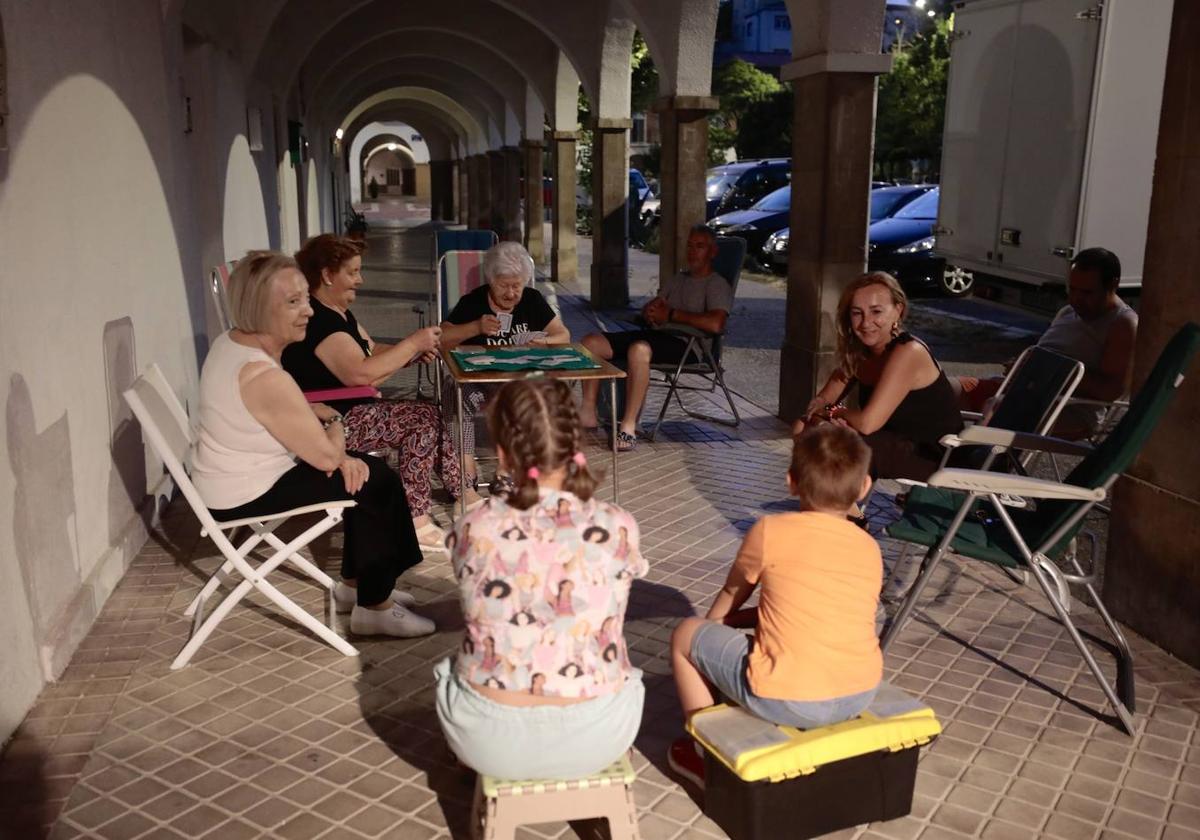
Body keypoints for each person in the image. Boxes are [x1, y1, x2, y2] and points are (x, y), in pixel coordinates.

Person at [191, 251, 434, 637]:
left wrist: (335, 448)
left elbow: (275, 414)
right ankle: (375, 606)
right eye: (292, 302)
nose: (307, 310)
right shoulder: (264, 375)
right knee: (377, 481)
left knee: (364, 472)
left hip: (226, 477)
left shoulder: (230, 343)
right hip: (247, 489)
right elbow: (325, 456)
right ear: (258, 307)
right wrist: (336, 425)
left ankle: (357, 588)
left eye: (305, 297)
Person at [434, 380, 647, 780]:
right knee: (626, 668)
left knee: (447, 670)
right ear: (575, 447)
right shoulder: (617, 524)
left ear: (501, 453)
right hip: (601, 734)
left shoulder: (473, 526)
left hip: (489, 740)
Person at [666, 424, 882, 789]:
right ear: (864, 487)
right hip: (859, 692)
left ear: (791, 482)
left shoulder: (770, 531)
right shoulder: (870, 549)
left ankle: (704, 754)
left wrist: (714, 624)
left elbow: (732, 593)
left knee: (685, 636)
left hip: (787, 696)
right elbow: (824, 609)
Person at [281, 234, 480, 552]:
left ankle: (465, 495)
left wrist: (411, 353)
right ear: (328, 275)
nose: (360, 280)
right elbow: (359, 372)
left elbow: (372, 352)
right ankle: (416, 520)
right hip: (328, 420)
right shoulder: (320, 322)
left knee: (428, 413)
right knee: (422, 419)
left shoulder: (339, 314)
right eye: (353, 272)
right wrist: (412, 344)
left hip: (349, 409)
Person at [791, 272, 963, 483]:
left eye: (876, 311)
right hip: (892, 441)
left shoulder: (909, 351)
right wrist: (825, 415)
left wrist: (835, 413)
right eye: (857, 313)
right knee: (804, 428)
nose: (866, 323)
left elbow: (866, 423)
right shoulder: (860, 354)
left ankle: (843, 511)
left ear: (898, 311)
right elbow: (819, 404)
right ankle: (838, 506)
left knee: (838, 443)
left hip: (933, 454)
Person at [955, 247, 1138, 438]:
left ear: (1113, 285)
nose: (1077, 299)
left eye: (1087, 293)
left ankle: (974, 458)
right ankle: (936, 456)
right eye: (1072, 290)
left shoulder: (1122, 324)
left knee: (997, 406)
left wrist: (1046, 369)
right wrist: (1022, 368)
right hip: (1025, 391)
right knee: (944, 390)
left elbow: (1110, 391)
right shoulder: (1069, 312)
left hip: (1068, 408)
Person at [579, 225, 732, 450]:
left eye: (700, 246)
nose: (692, 251)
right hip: (657, 335)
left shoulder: (716, 284)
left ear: (712, 252)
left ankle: (629, 426)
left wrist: (671, 315)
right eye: (690, 246)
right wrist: (650, 311)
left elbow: (717, 323)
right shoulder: (679, 279)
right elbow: (658, 306)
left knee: (639, 349)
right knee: (590, 343)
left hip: (689, 345)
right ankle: (588, 412)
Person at [440, 241, 570, 487]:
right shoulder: (473, 302)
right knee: (452, 390)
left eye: (516, 286)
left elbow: (563, 335)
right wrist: (476, 327)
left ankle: (505, 469)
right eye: (503, 286)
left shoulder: (532, 300)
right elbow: (442, 337)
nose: (511, 294)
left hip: (515, 383)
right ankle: (465, 467)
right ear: (491, 281)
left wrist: (542, 341)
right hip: (479, 381)